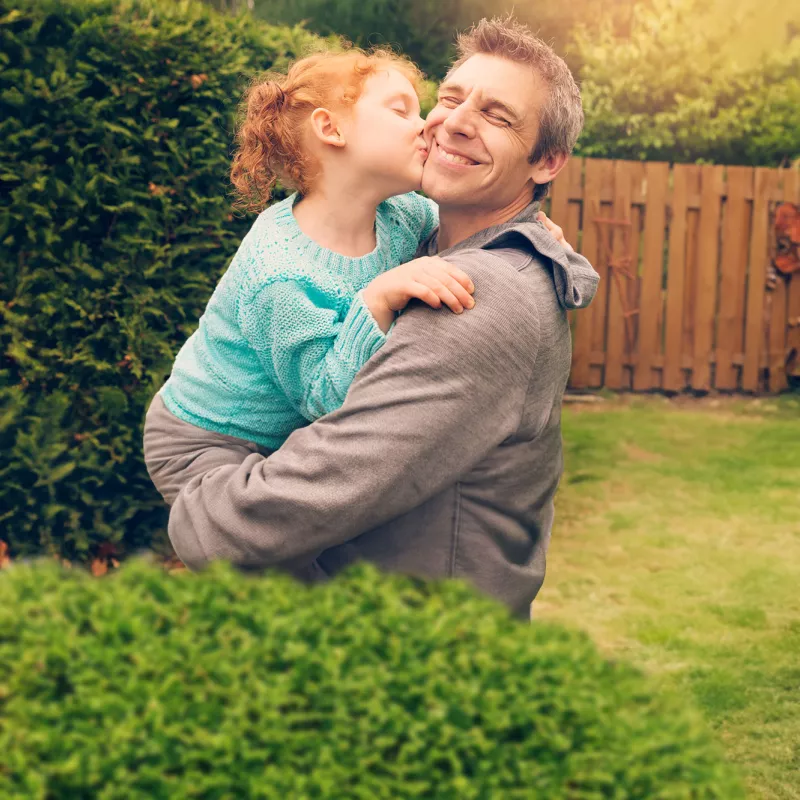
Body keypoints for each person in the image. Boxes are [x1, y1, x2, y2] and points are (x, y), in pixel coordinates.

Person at [160, 16, 599, 618]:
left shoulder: (475, 297)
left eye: (497, 116)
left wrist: (200, 518)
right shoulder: (414, 235)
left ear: (547, 162)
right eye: (448, 98)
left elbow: (327, 473)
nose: (450, 122)